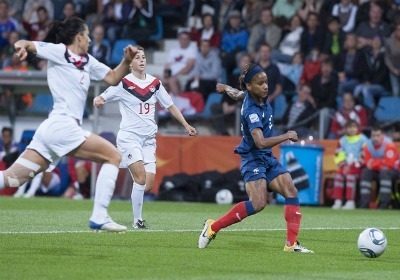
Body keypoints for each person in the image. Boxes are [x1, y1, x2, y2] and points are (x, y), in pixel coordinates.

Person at [0, 16, 138, 232]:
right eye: (88, 35)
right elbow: (26, 43)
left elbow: (112, 78)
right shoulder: (58, 51)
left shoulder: (88, 61)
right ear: (79, 37)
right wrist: (20, 47)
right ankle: (99, 216)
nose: (91, 40)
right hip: (62, 126)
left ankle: (100, 216)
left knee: (12, 179)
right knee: (114, 156)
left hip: (52, 129)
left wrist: (127, 62)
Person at [198, 63, 314, 253]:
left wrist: (225, 88)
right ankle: (212, 227)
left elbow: (238, 94)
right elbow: (259, 142)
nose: (266, 86)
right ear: (250, 86)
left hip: (267, 157)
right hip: (253, 158)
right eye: (260, 83)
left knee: (291, 190)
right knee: (258, 203)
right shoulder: (251, 110)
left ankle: (291, 244)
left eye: (266, 82)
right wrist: (286, 136)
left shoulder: (251, 95)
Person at [94, 45, 197, 229]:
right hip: (129, 138)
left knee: (147, 185)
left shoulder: (155, 83)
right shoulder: (123, 83)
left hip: (149, 140)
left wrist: (186, 125)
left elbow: (171, 106)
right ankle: (137, 221)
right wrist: (98, 100)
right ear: (130, 63)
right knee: (140, 178)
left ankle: (124, 181)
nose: (141, 60)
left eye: (143, 57)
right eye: (137, 58)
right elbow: (103, 96)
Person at [359, 126, 399, 209]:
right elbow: (367, 163)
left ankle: (384, 203)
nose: (375, 138)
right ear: (371, 136)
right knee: (366, 172)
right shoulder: (367, 145)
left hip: (394, 170)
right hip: (378, 170)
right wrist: (381, 162)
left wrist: (375, 162)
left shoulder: (389, 144)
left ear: (383, 136)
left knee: (384, 172)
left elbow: (389, 164)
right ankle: (364, 203)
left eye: (378, 135)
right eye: (373, 136)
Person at [331, 120, 368, 210]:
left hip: (358, 168)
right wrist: (343, 166)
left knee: (350, 175)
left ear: (358, 128)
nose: (352, 129)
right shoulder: (342, 140)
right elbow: (338, 155)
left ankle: (350, 201)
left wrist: (355, 165)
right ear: (346, 129)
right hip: (345, 167)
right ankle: (338, 201)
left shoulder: (363, 139)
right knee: (338, 174)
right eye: (349, 127)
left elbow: (365, 154)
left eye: (354, 127)